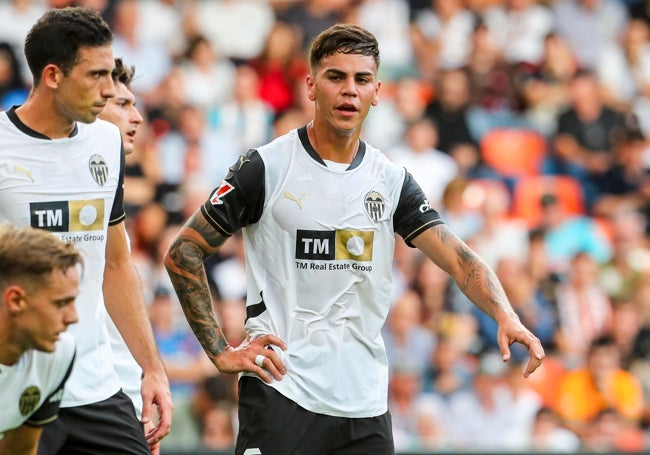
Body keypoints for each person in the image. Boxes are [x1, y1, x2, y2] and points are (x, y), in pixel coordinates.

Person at [164, 23, 545, 455]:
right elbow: (183, 252)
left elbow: (459, 259)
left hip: (362, 404)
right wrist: (219, 350)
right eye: (336, 77)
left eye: (361, 79)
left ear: (377, 91)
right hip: (282, 393)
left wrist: (506, 314)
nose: (350, 90)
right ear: (310, 85)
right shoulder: (265, 167)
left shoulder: (391, 180)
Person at [0, 7, 172, 454]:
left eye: (111, 74)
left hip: (95, 385)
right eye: (97, 75)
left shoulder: (105, 142)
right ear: (53, 75)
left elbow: (115, 264)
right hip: (15, 385)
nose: (110, 89)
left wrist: (150, 368)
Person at [0, 223, 81, 454]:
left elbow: (20, 450)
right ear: (15, 300)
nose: (73, 317)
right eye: (61, 303)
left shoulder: (59, 352)